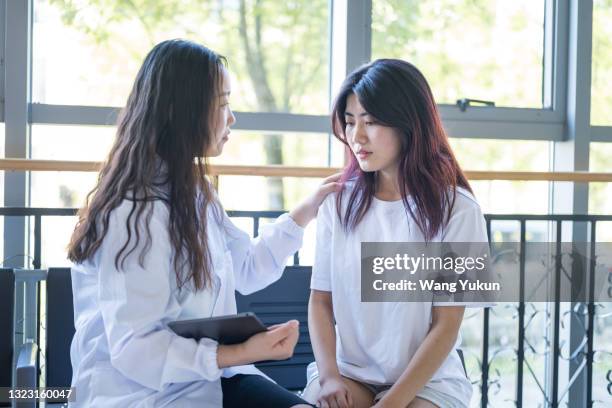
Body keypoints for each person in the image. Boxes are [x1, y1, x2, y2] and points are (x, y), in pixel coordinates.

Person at [66, 39, 339, 408]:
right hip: (143, 394)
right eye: (223, 103)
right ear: (183, 110)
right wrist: (241, 351)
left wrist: (307, 209)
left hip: (211, 378)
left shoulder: (196, 192)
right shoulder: (135, 213)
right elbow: (136, 350)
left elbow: (246, 267)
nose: (232, 118)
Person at [302, 59, 490, 408]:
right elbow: (321, 301)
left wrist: (391, 403)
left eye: (371, 122)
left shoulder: (460, 210)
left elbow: (446, 325)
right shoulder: (337, 204)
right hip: (348, 373)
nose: (356, 136)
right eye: (349, 121)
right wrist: (328, 377)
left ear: (409, 124)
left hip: (428, 383)